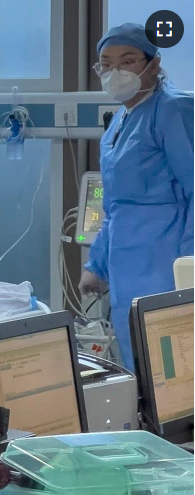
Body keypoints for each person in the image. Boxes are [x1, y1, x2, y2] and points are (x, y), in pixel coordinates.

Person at [78, 23, 193, 369]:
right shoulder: (120, 122)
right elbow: (116, 207)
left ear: (153, 63)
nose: (116, 72)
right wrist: (97, 265)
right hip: (128, 274)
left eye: (127, 61)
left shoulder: (174, 110)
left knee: (175, 374)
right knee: (141, 371)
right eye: (107, 63)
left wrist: (189, 267)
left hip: (169, 267)